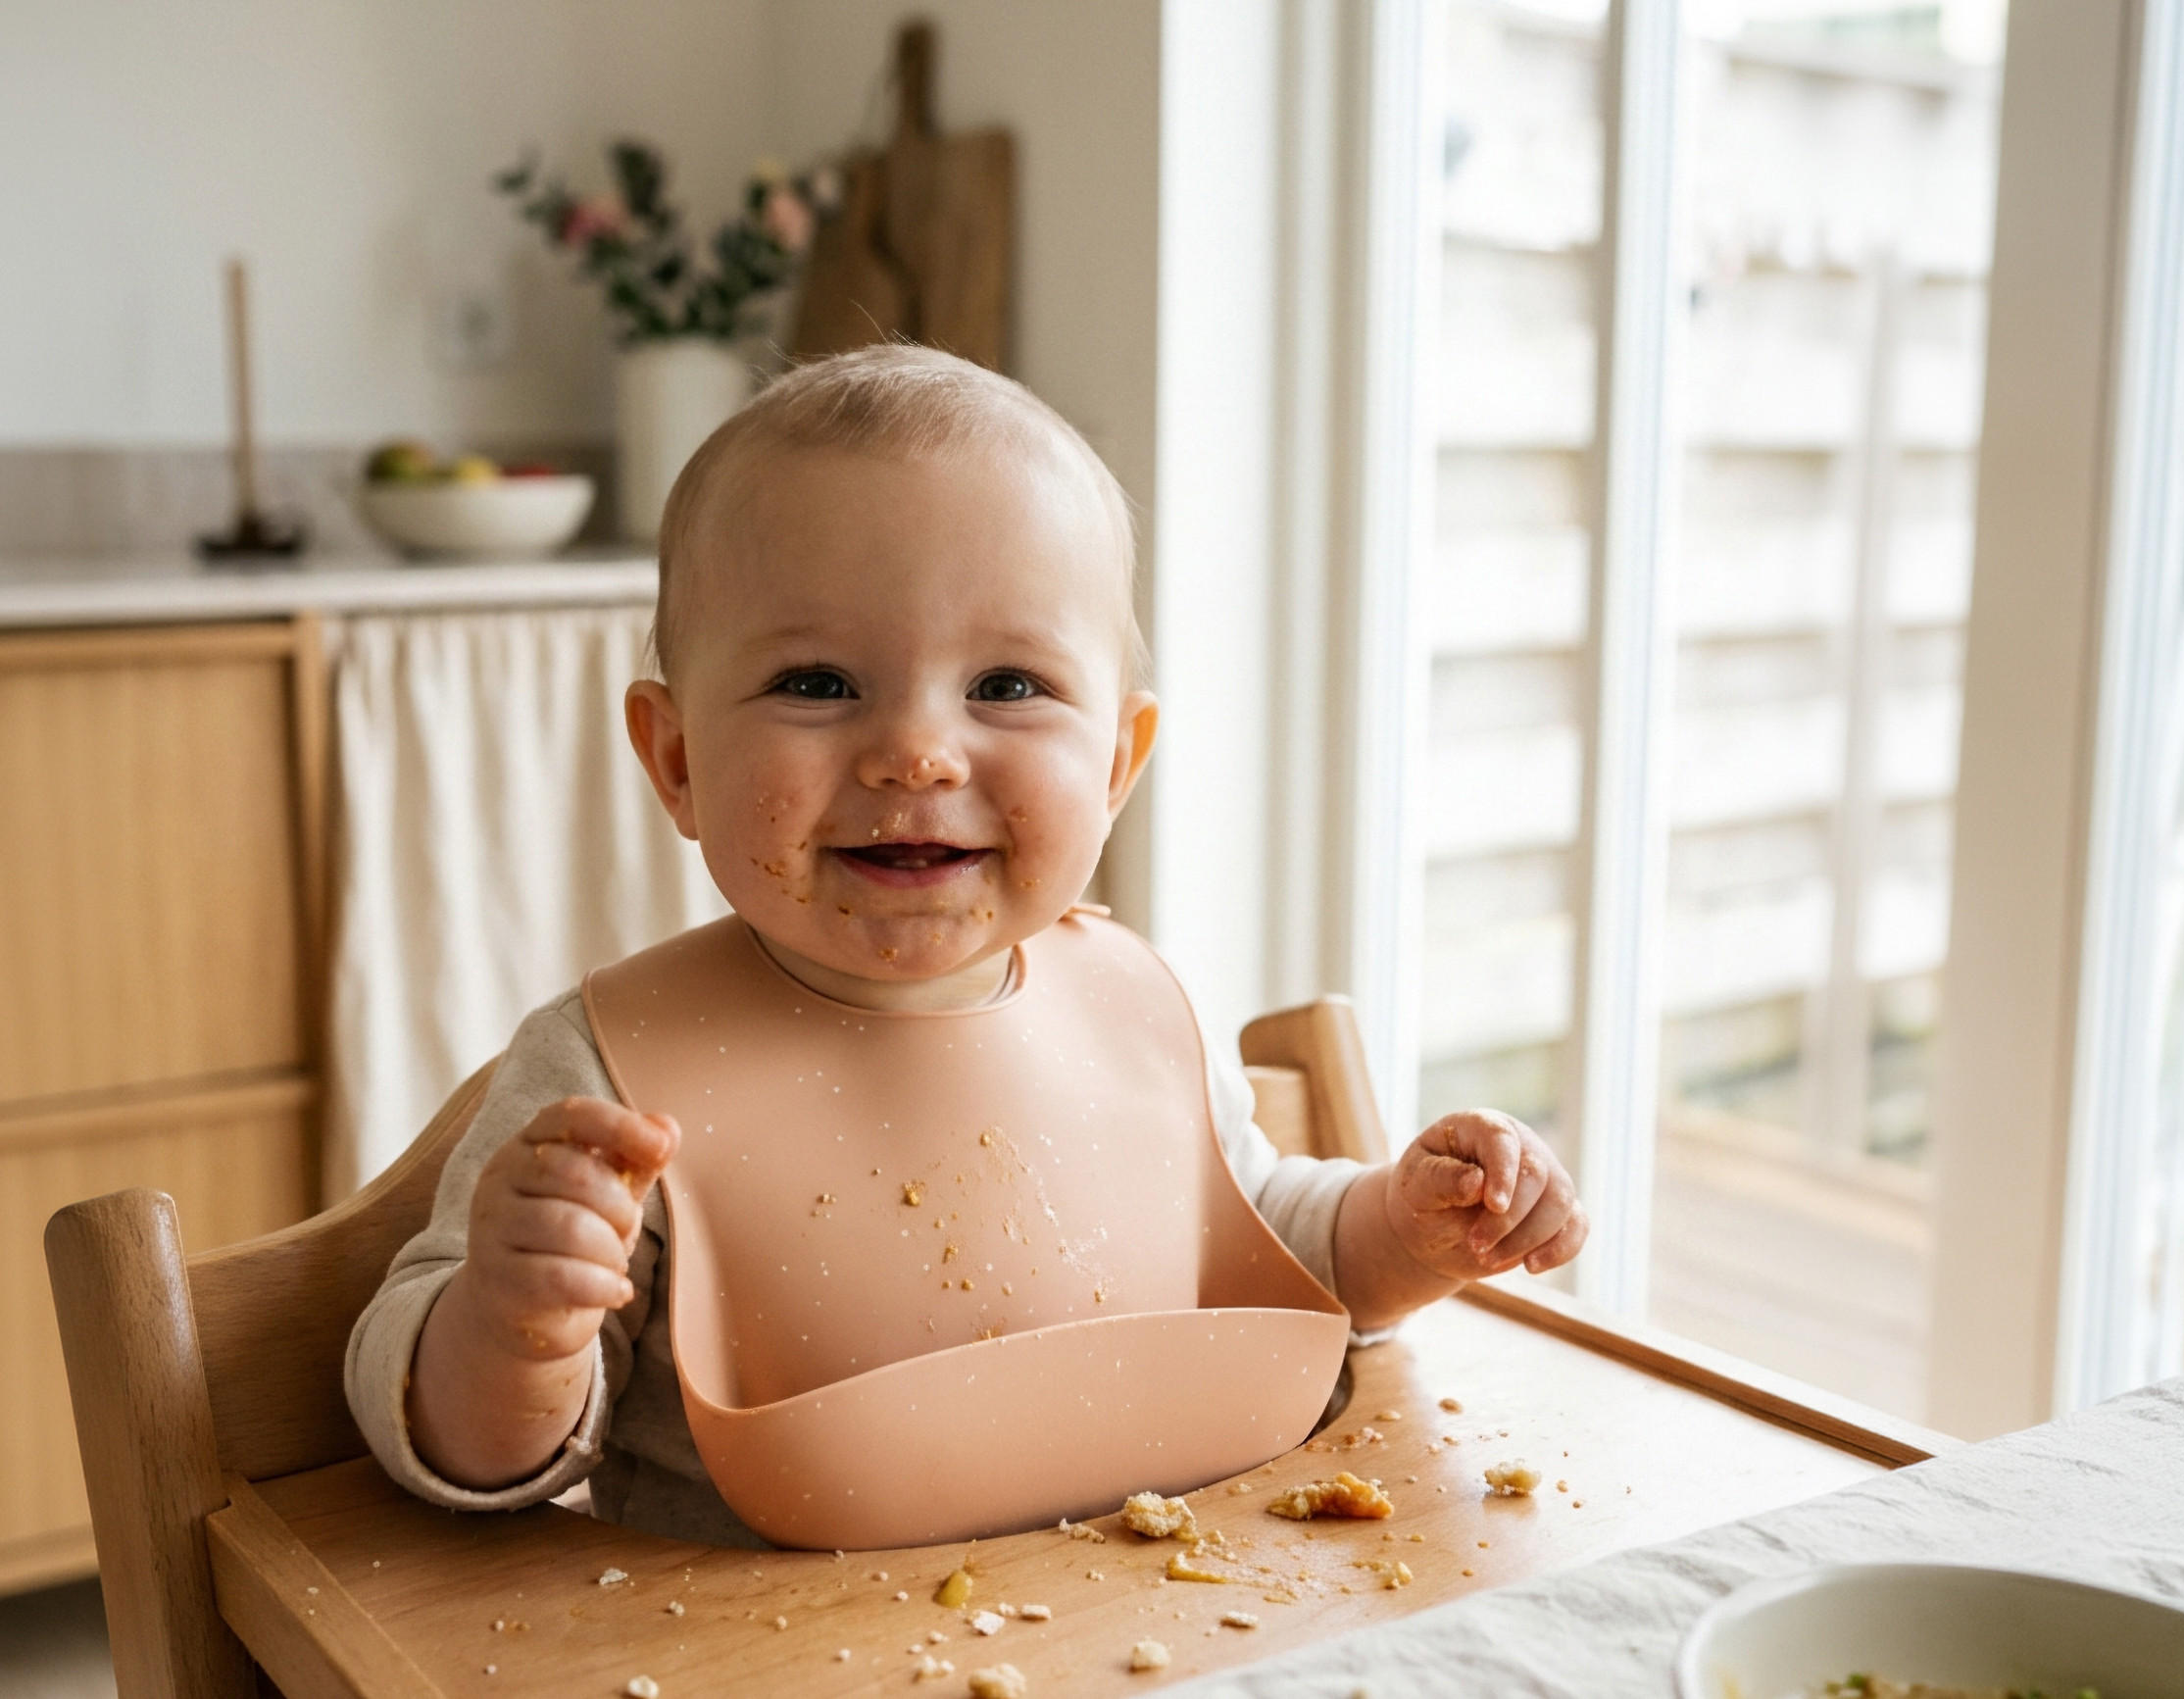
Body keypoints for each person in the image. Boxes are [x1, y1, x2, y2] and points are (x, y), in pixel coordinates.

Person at [346, 345, 1587, 1548]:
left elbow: (1270, 1238)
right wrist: (512, 1322)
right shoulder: (608, 1080)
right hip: (774, 1649)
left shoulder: (1134, 1007)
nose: (916, 754)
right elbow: (460, 1447)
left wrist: (1403, 1233)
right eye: (817, 682)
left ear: (1115, 764)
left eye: (1004, 685)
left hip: (1162, 1623)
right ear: (675, 758)